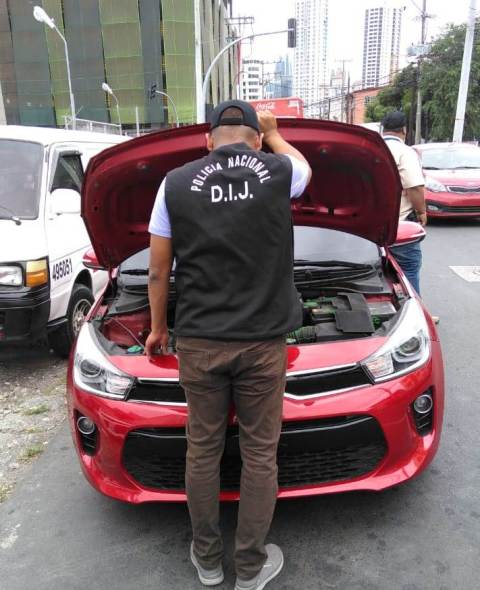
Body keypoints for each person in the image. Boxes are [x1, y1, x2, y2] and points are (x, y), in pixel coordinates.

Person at [145, 100, 311, 590]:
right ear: (256, 140)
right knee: (260, 454)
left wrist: (157, 328)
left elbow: (158, 270)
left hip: (200, 341)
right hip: (262, 343)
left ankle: (208, 561)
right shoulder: (278, 171)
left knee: (203, 450)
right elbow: (305, 168)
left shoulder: (173, 184)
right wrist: (275, 135)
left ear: (207, 141)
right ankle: (251, 569)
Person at [382, 110, 426, 294]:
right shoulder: (405, 152)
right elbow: (414, 187)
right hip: (398, 227)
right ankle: (414, 306)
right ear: (404, 130)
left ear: (383, 129)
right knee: (408, 270)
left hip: (365, 230)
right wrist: (422, 212)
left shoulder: (369, 149)